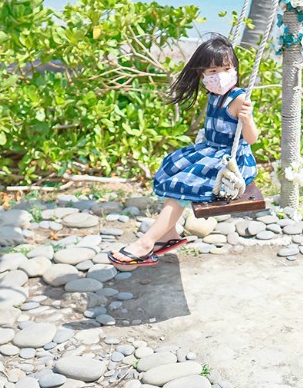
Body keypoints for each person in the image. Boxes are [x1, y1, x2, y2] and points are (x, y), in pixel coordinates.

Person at [108, 34, 259, 268]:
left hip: (232, 163)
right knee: (173, 171)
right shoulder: (214, 94)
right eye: (212, 72)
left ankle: (146, 243)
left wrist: (248, 120)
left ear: (235, 69)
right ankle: (167, 236)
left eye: (227, 69)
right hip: (211, 152)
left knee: (183, 186)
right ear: (202, 75)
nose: (220, 76)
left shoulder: (239, 99)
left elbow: (251, 139)